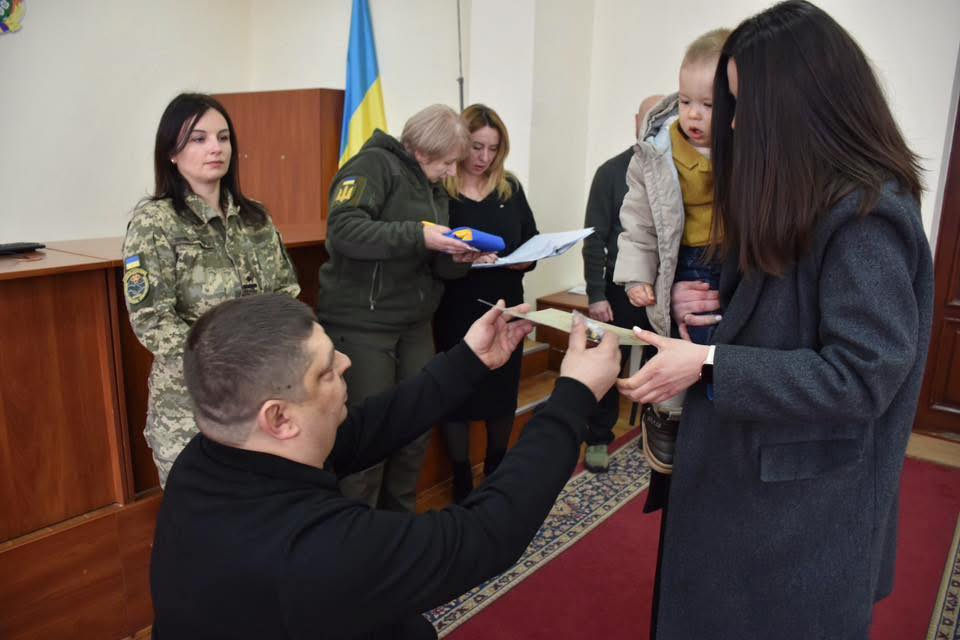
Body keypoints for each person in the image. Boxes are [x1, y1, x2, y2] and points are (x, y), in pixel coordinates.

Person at [617, 2, 933, 637]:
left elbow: (862, 376)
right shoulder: (799, 187)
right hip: (751, 483)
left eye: (744, 105)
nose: (734, 123)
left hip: (799, 511)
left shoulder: (866, 211)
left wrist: (710, 363)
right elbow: (775, 313)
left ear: (800, 101)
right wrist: (694, 305)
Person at [151, 293, 621, 639]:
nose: (346, 362)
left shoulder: (208, 457)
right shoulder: (316, 550)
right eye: (326, 369)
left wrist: (467, 361)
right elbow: (485, 536)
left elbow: (363, 431)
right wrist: (574, 397)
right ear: (279, 418)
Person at [122, 92, 300, 487]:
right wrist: (222, 366)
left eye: (223, 137)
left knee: (258, 505)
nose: (215, 148)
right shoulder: (155, 223)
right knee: (200, 515)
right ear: (172, 152)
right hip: (190, 408)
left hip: (259, 397)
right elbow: (152, 320)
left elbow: (285, 295)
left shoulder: (255, 218)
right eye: (198, 139)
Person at [317, 104, 487, 512]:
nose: (452, 172)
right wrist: (419, 235)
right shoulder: (372, 166)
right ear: (422, 150)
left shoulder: (432, 186)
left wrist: (458, 258)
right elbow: (344, 230)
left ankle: (399, 524)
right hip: (363, 326)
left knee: (414, 431)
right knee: (368, 438)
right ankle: (358, 532)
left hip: (415, 325)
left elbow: (431, 261)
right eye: (447, 162)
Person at [613, 28, 730, 477]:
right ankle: (667, 410)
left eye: (709, 105)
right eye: (685, 101)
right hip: (685, 259)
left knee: (721, 339)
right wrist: (638, 276)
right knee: (684, 339)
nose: (693, 114)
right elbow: (638, 222)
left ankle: (721, 413)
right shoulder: (657, 152)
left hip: (731, 258)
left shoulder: (746, 149)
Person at [434, 104, 538, 501]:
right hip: (456, 305)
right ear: (460, 143)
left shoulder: (509, 188)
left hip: (505, 303)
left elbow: (530, 240)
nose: (483, 158)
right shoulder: (441, 189)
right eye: (476, 147)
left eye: (493, 149)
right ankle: (461, 478)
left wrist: (525, 259)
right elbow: (430, 252)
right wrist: (465, 258)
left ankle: (495, 471)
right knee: (456, 392)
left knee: (501, 392)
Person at [580, 96, 662, 473]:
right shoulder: (610, 172)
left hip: (663, 294)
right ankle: (598, 437)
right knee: (607, 363)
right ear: (636, 122)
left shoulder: (676, 176)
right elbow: (594, 238)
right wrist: (596, 294)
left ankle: (654, 434)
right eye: (649, 119)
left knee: (661, 366)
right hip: (617, 291)